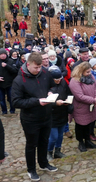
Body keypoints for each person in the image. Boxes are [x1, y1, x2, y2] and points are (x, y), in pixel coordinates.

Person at [11, 52, 58, 181]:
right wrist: (37, 101)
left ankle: (43, 163)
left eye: (40, 67)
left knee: (44, 141)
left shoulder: (45, 72)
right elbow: (16, 102)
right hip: (30, 119)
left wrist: (51, 92)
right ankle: (31, 169)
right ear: (28, 64)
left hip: (46, 115)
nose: (38, 70)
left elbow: (54, 86)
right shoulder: (19, 80)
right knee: (31, 145)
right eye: (36, 68)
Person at [69, 62, 96, 152]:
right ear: (81, 71)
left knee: (89, 124)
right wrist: (93, 100)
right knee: (81, 125)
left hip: (90, 106)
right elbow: (79, 96)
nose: (89, 73)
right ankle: (81, 142)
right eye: (87, 72)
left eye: (90, 71)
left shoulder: (90, 77)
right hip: (81, 108)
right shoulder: (74, 81)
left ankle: (87, 140)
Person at [47, 67, 70, 161]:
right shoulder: (47, 86)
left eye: (59, 79)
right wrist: (55, 103)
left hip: (62, 112)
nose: (58, 81)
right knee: (53, 136)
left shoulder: (63, 83)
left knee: (60, 135)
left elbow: (69, 93)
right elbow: (45, 101)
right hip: (52, 114)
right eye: (56, 80)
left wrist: (69, 102)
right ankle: (48, 151)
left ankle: (57, 151)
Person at [0, 48, 18, 115]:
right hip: (0, 84)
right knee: (1, 99)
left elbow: (15, 71)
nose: (3, 56)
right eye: (1, 54)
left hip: (10, 83)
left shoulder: (10, 61)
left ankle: (12, 110)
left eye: (4, 54)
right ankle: (4, 111)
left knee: (11, 98)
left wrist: (7, 66)